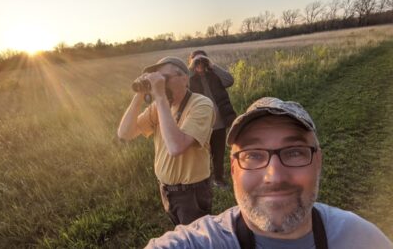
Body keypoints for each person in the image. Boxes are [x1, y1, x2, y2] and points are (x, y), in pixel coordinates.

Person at [145, 97, 393, 248]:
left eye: (294, 152)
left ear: (318, 162)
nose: (274, 176)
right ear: (233, 170)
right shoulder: (201, 242)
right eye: (253, 155)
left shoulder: (362, 238)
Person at [118, 56, 215, 225]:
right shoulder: (160, 107)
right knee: (182, 234)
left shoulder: (201, 104)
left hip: (191, 193)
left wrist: (160, 96)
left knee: (196, 241)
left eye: (165, 78)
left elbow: (175, 147)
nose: (160, 84)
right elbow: (125, 133)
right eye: (157, 79)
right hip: (166, 190)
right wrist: (140, 94)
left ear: (185, 78)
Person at [188, 50, 237, 188]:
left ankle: (219, 178)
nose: (199, 64)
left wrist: (212, 65)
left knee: (219, 152)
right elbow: (183, 87)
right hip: (201, 124)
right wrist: (191, 68)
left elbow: (230, 80)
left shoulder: (214, 75)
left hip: (219, 122)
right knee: (201, 153)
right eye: (196, 61)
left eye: (202, 61)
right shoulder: (190, 80)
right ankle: (203, 179)